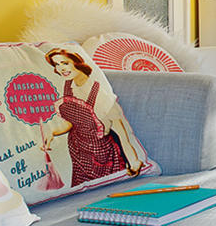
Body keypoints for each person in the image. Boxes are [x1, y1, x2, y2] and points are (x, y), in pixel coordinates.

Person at [39, 48, 145, 186]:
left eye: (64, 63)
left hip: (103, 155)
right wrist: (52, 132)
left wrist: (134, 161)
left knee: (107, 188)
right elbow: (72, 122)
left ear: (76, 63)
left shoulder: (99, 92)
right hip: (78, 152)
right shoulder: (68, 85)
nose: (60, 69)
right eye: (56, 65)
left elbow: (121, 134)